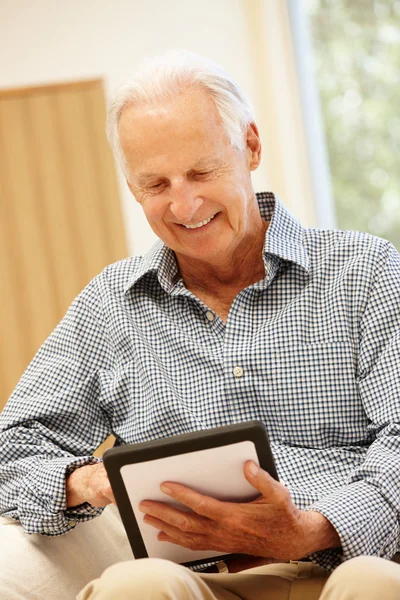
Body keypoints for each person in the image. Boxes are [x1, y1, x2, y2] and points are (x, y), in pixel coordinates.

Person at [0, 50, 399, 600]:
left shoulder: (367, 270)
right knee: (133, 586)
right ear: (132, 186)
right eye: (156, 184)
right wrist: (89, 480)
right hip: (202, 581)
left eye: (201, 171)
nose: (184, 204)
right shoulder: (110, 306)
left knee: (374, 584)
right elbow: (13, 446)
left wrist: (313, 529)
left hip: (345, 560)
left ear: (251, 147)